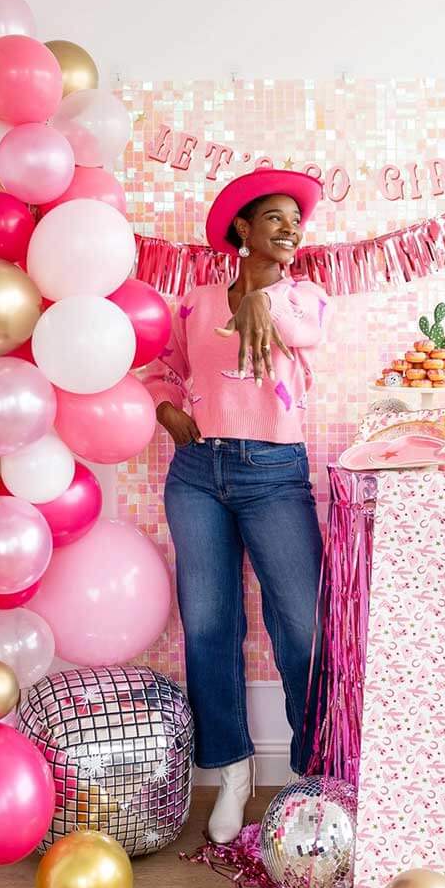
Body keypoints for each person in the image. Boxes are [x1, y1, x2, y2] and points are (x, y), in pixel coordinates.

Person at [143, 168, 329, 843]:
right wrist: (166, 408)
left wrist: (261, 299)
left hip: (274, 473)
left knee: (302, 627)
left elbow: (304, 334)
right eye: (274, 218)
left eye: (296, 221)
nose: (289, 229)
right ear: (243, 230)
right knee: (208, 625)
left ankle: (315, 772)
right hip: (197, 473)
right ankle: (232, 773)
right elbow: (162, 366)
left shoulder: (306, 296)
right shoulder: (194, 302)